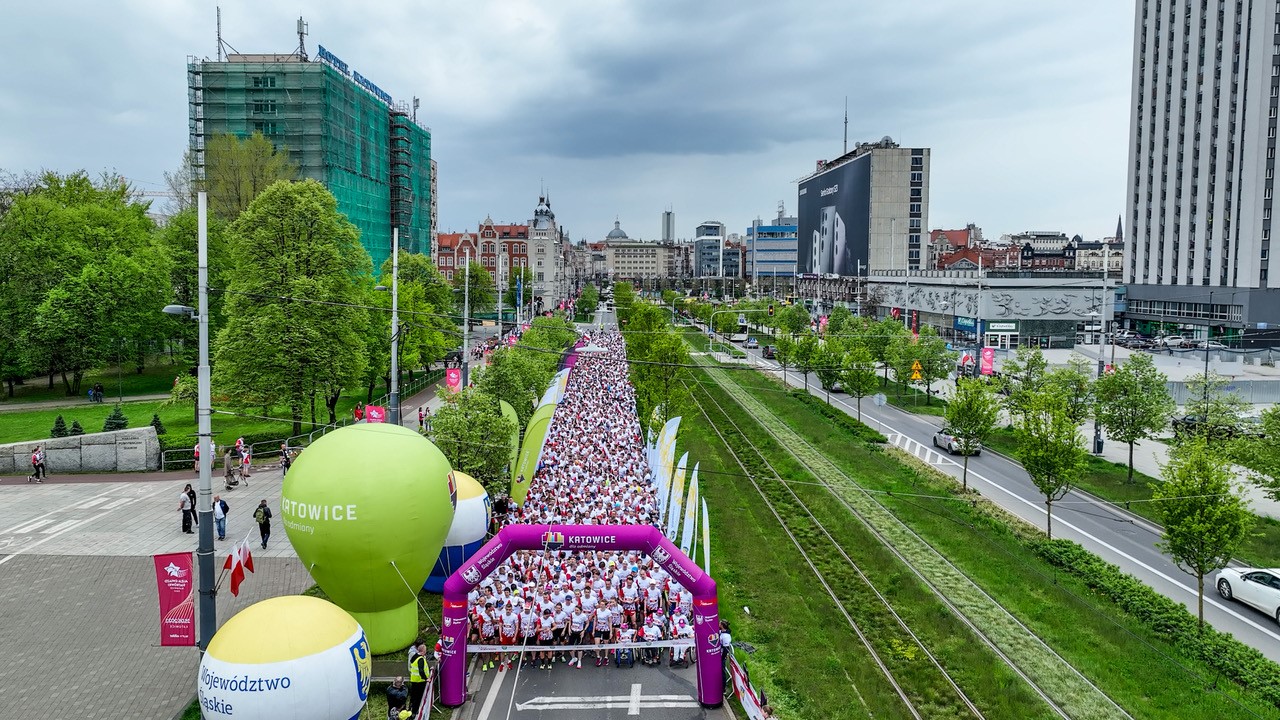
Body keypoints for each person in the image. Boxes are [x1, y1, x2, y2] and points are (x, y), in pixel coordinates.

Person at [407, 641, 429, 712]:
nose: (426, 651)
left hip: (414, 679)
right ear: (423, 651)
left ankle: (410, 708)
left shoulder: (415, 656)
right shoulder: (421, 659)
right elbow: (421, 671)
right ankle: (415, 711)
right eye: (425, 650)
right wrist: (426, 678)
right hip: (420, 681)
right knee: (418, 697)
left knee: (413, 696)